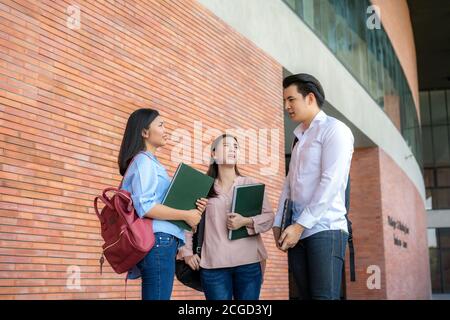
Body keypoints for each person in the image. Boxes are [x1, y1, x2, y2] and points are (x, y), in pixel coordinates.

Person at [273, 74, 354, 300]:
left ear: (309, 98)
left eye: (291, 99)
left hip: (325, 229)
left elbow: (331, 182)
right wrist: (279, 222)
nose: (286, 106)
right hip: (297, 232)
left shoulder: (335, 130)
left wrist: (299, 226)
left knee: (323, 297)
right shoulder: (298, 138)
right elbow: (289, 184)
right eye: (284, 101)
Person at [118, 108, 207, 300]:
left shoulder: (152, 163)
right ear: (144, 132)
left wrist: (191, 211)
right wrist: (185, 215)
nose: (166, 129)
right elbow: (146, 207)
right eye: (161, 125)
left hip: (162, 242)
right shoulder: (144, 162)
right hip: (159, 242)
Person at [178, 134, 274, 300]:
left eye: (235, 147)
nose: (233, 150)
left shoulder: (251, 184)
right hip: (214, 265)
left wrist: (246, 221)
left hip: (249, 263)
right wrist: (186, 252)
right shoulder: (203, 188)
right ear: (214, 154)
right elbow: (187, 222)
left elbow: (269, 217)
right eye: (227, 146)